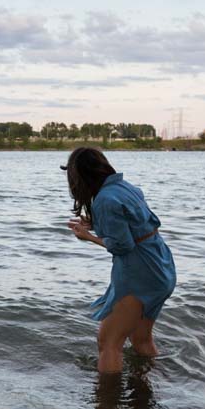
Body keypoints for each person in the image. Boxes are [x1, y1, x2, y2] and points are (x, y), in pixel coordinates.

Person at [64, 147, 176, 375]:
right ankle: (147, 391)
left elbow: (123, 246)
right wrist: (96, 224)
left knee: (108, 343)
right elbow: (136, 225)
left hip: (139, 273)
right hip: (160, 267)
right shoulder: (125, 188)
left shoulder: (104, 200)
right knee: (141, 339)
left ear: (82, 176)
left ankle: (107, 403)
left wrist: (88, 236)